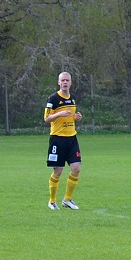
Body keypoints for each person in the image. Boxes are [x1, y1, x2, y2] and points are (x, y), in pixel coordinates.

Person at [45, 71, 83, 210]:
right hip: (57, 139)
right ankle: (52, 201)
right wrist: (59, 113)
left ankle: (67, 199)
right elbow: (46, 119)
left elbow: (70, 116)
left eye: (67, 80)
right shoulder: (53, 99)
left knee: (76, 168)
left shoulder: (72, 98)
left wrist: (76, 117)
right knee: (58, 171)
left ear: (71, 83)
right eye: (63, 80)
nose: (65, 83)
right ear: (58, 82)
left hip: (72, 138)